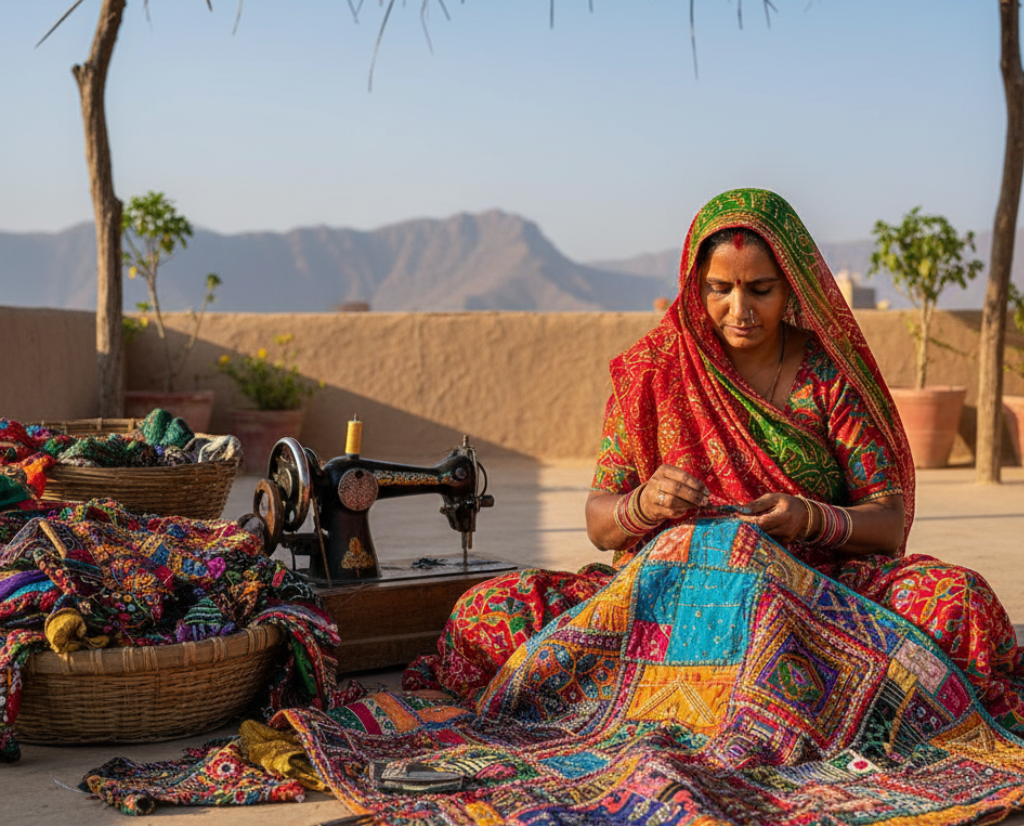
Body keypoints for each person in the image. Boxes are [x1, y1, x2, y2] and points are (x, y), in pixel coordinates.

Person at [404, 187, 1024, 733]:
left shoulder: (826, 377)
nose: (740, 310)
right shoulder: (653, 372)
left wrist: (808, 519)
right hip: (671, 601)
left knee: (958, 601)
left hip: (817, 596)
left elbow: (888, 522)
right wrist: (642, 505)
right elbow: (599, 525)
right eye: (719, 290)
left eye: (760, 289)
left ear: (793, 288)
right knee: (486, 612)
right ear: (695, 287)